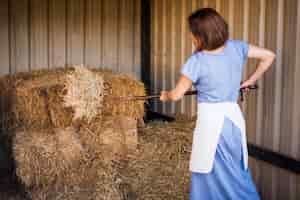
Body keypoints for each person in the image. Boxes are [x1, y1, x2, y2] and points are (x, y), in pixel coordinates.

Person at [160, 8, 275, 200]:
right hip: (233, 122)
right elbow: (269, 56)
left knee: (208, 172)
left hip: (212, 125)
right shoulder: (236, 47)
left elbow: (177, 94)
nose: (190, 35)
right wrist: (251, 80)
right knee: (235, 171)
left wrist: (166, 95)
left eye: (192, 32)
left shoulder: (197, 61)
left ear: (199, 35)